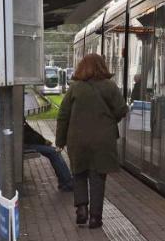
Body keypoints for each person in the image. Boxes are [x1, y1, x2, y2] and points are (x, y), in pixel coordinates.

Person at [55, 53, 128, 229]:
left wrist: (60, 140)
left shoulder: (75, 88)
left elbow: (63, 115)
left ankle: (81, 210)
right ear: (102, 66)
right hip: (103, 140)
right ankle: (95, 218)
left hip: (77, 139)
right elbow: (121, 109)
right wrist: (109, 121)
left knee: (79, 173)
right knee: (98, 177)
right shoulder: (110, 87)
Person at [23, 120, 73, 191]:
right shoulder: (16, 118)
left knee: (53, 152)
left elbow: (29, 131)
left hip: (24, 142)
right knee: (54, 152)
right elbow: (27, 134)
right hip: (24, 144)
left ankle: (64, 182)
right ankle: (67, 183)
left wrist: (43, 140)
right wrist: (43, 141)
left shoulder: (16, 117)